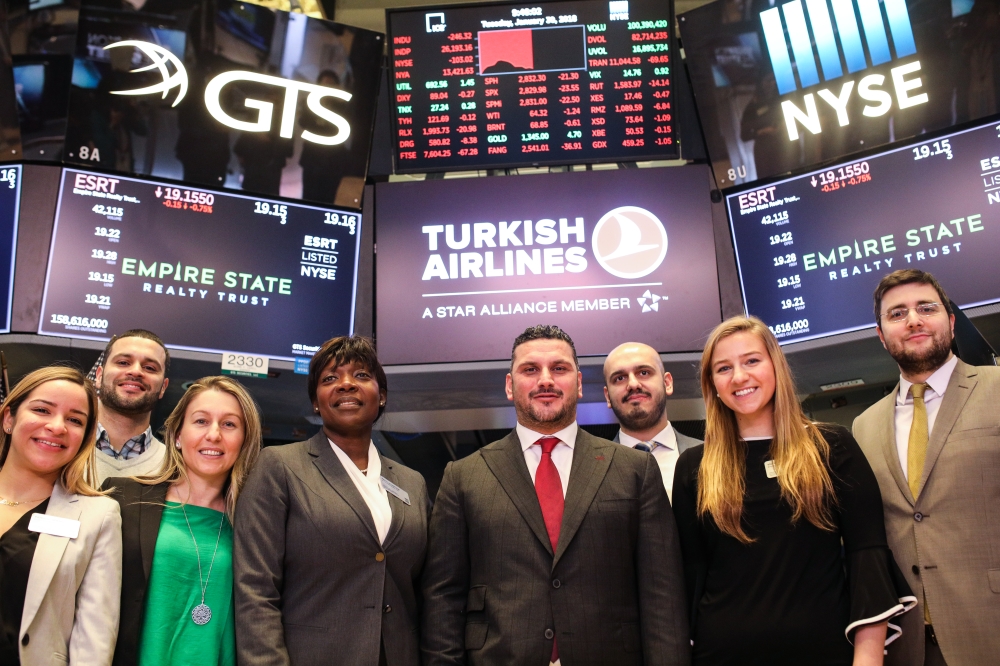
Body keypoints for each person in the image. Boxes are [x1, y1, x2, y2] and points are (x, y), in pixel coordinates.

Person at [422, 325, 690, 666]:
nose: (545, 380)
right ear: (510, 386)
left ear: (578, 384)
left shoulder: (635, 470)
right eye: (530, 369)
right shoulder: (462, 477)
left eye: (559, 368)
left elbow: (662, 594)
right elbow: (443, 598)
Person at [673, 316, 915, 666]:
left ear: (776, 365)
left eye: (751, 361)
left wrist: (868, 657)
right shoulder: (693, 466)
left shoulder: (831, 447)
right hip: (722, 653)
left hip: (824, 650)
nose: (739, 377)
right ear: (712, 384)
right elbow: (691, 575)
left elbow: (867, 556)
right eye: (723, 368)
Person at [235, 336, 429, 666]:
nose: (346, 384)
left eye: (361, 375)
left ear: (381, 396)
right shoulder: (280, 466)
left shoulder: (413, 483)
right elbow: (255, 588)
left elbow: (424, 589)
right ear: (316, 401)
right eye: (329, 378)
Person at [853, 269, 1000, 666]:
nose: (913, 320)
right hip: (910, 643)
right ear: (881, 335)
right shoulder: (863, 426)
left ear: (950, 322)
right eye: (897, 313)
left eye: (926, 308)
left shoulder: (997, 388)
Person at [103, 376, 262, 666]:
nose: (214, 434)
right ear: (177, 435)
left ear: (244, 441)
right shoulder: (123, 499)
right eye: (201, 421)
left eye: (229, 424)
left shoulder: (256, 522)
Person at [0, 366, 122, 666]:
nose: (57, 427)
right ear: (8, 418)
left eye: (74, 420)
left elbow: (93, 643)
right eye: (42, 410)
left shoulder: (98, 516)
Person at [603, 342, 701, 502]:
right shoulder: (590, 469)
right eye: (620, 378)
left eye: (644, 372)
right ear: (607, 396)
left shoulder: (712, 457)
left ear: (667, 383)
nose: (633, 384)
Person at [93, 330, 171, 483]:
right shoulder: (62, 447)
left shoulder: (175, 468)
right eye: (123, 362)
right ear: (99, 376)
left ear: (163, 387)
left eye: (150, 368)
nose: (135, 371)